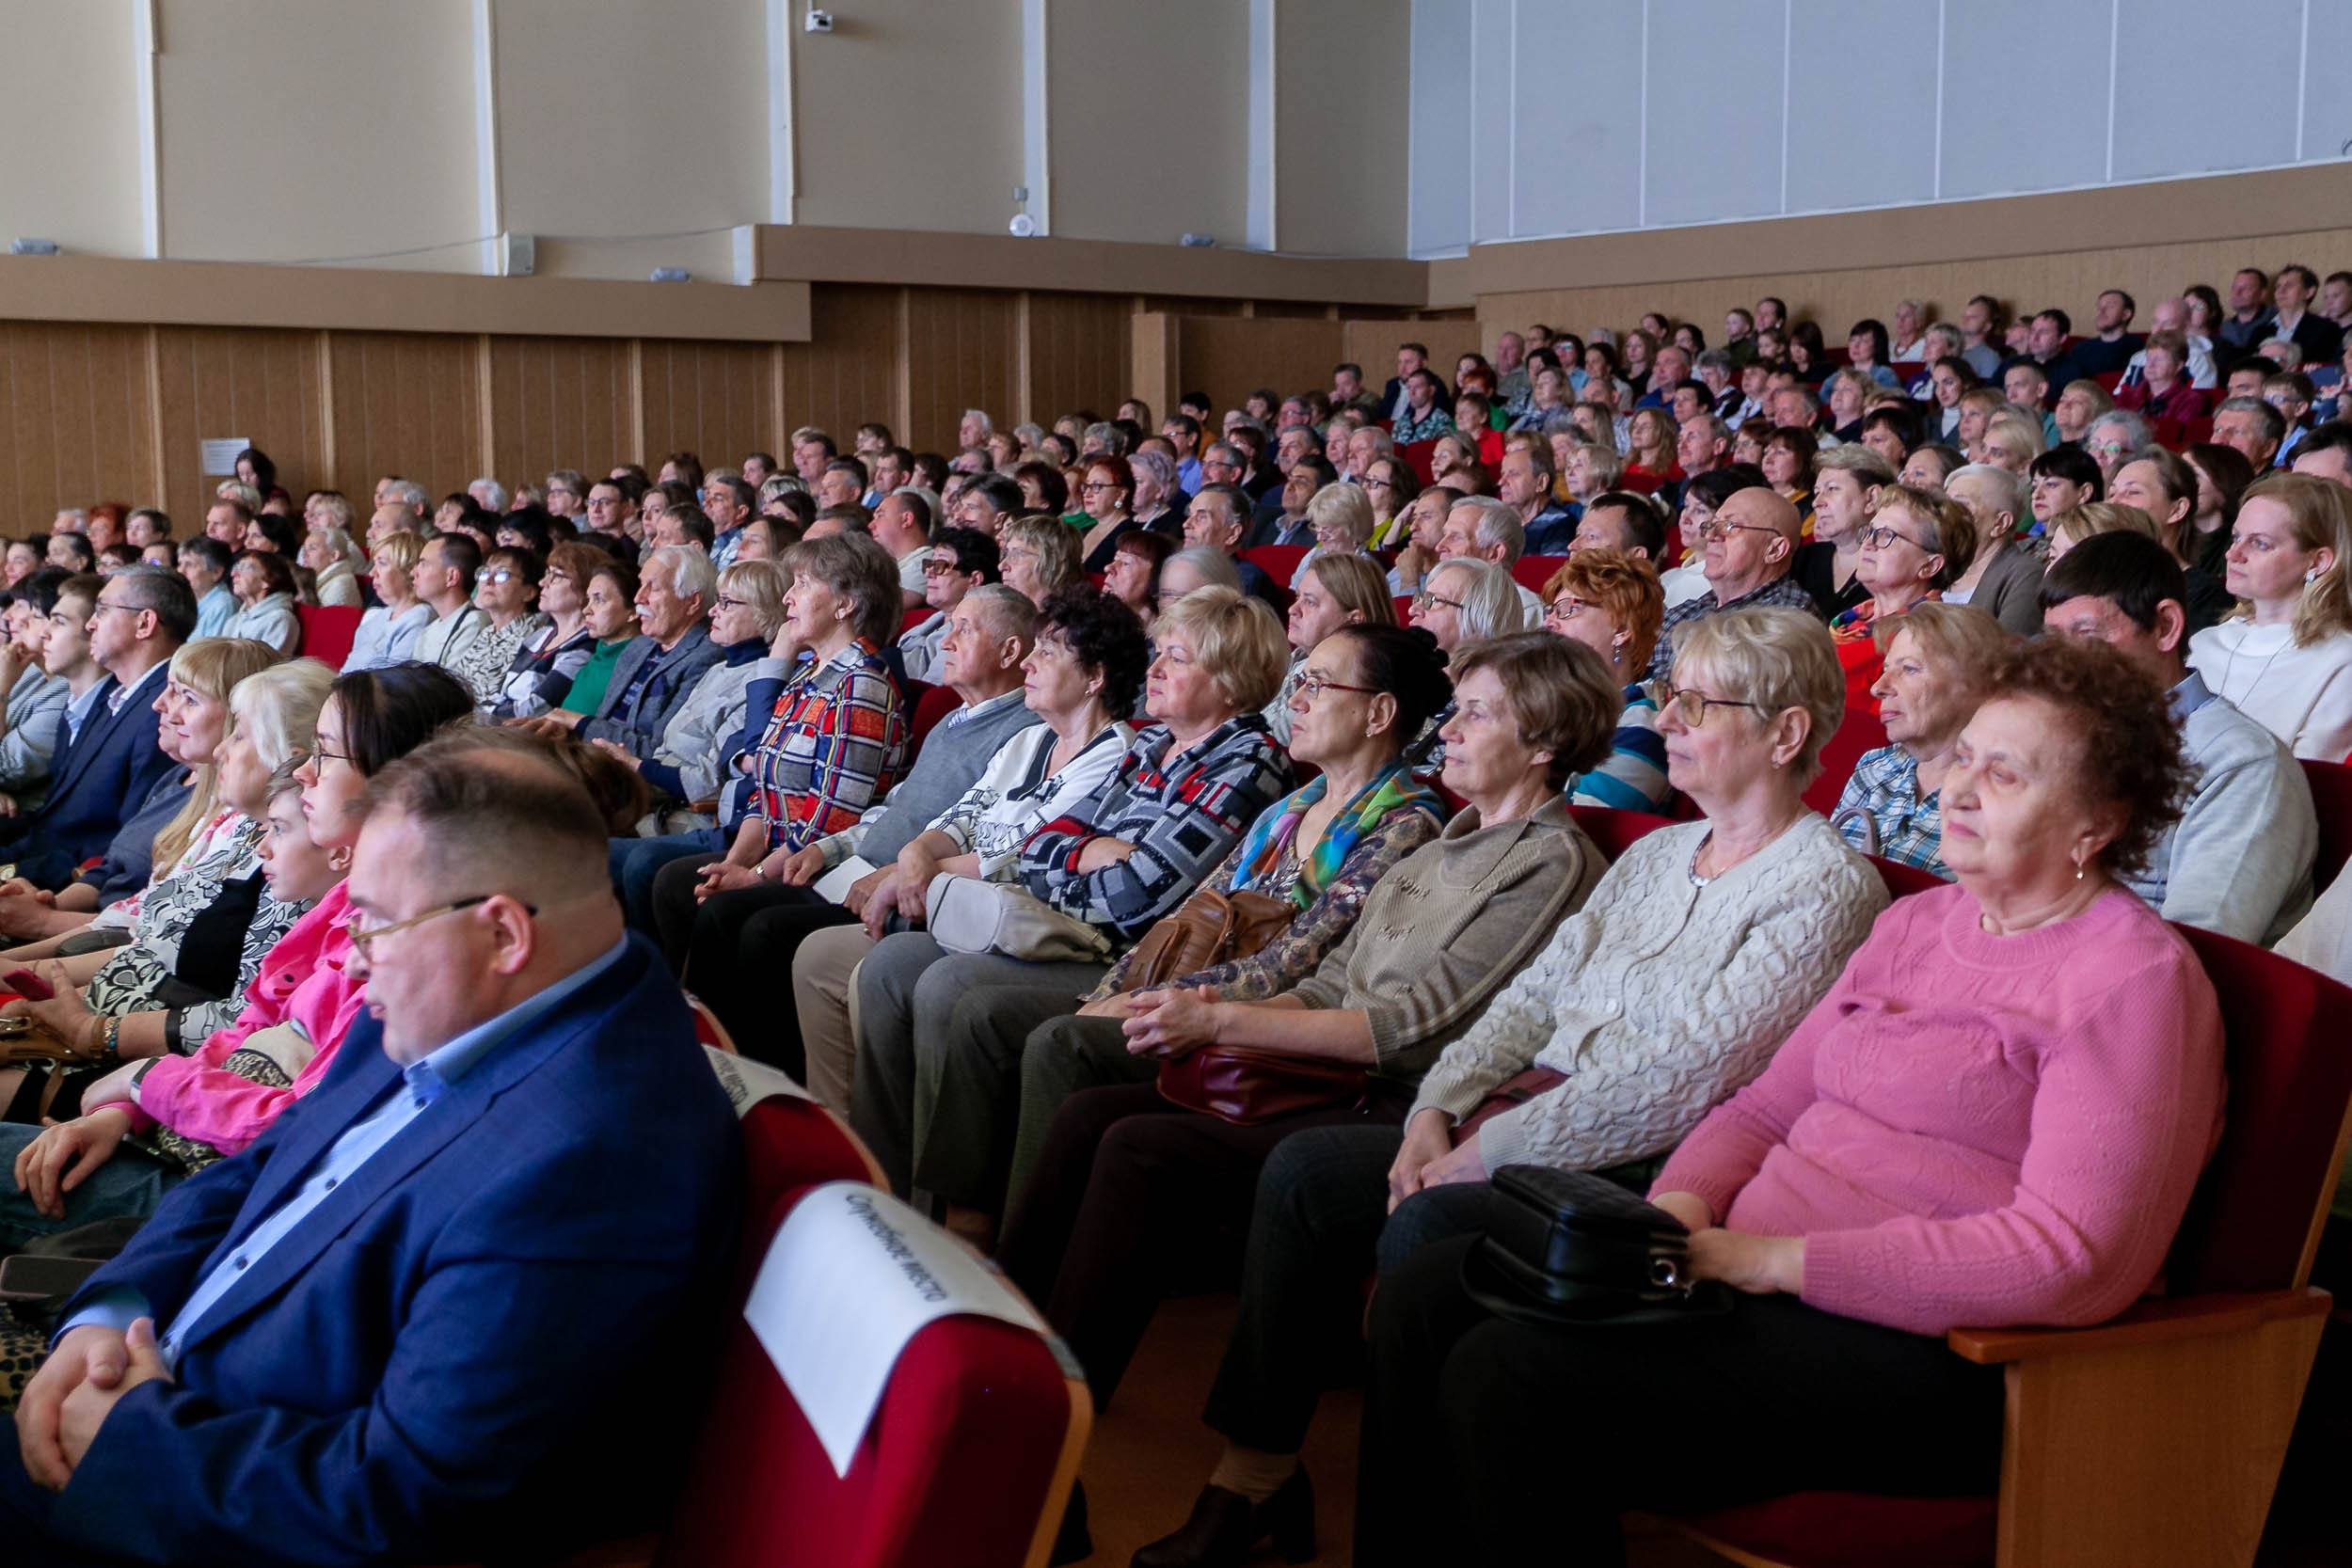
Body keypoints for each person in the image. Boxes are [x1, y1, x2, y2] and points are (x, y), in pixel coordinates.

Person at [1357, 634, 2220, 1567]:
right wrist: (1675, 1214)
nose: (1956, 791)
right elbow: (1763, 1109)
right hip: (1740, 1276)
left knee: (1510, 1374)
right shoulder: (1916, 921)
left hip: (1936, 1349)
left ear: (2096, 820)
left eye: (2002, 774)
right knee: (1430, 1282)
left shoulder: (2129, 978)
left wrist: (1765, 1259)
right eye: (1961, 757)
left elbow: (2071, 1258)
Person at [1156, 608, 1886, 1566]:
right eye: (1668, 696)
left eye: (1697, 703)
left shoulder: (1823, 884)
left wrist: (1479, 1152)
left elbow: (1687, 1077)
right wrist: (1434, 1110)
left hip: (1648, 1166)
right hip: (1518, 1120)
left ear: (1785, 733)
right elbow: (1536, 997)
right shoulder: (1658, 853)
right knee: (1304, 1171)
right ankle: (1252, 1478)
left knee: (1422, 1231)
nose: (1665, 720)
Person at [0, 739, 739, 1566]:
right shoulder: (460, 995)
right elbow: (253, 1175)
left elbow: (401, 1500)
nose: (349, 956)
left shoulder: (593, 1162)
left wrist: (131, 1436)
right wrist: (103, 1316)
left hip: (201, 1495)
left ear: (502, 932)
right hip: (153, 1378)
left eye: (376, 922)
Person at [1002, 633, 1614, 1458]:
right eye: (1458, 708)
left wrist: (1219, 1020)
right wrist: (1202, 1007)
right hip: (1316, 1066)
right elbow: (1329, 982)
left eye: (1476, 714)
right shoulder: (1441, 847)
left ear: (1542, 743)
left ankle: (1051, 1407)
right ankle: (1000, 1336)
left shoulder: (1549, 861)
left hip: (1397, 1098)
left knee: (1138, 1142)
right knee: (1086, 1113)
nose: (1451, 732)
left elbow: (1409, 1026)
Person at [848, 585, 1291, 1203]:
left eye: (1176, 658)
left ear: (1232, 680)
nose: (1155, 670)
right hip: (1069, 926)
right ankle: (886, 1183)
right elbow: (1042, 847)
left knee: (957, 991)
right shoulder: (1158, 748)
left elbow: (1137, 898)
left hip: (1127, 959)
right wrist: (1089, 853)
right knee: (892, 966)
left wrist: (1086, 858)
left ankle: (958, 1216)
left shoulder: (1248, 763)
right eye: (1156, 653)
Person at [787, 586, 1147, 1116]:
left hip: (1022, 925)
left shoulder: (1114, 756)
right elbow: (957, 820)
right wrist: (915, 858)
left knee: (881, 970)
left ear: (1094, 678)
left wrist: (917, 871)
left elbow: (1020, 854)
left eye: (1047, 652)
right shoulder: (1030, 740)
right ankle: (837, 1123)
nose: (1029, 660)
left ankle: (895, 1152)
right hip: (951, 898)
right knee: (818, 956)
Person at [653, 583, 1040, 1066]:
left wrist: (886, 871)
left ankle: (752, 1079)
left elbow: (978, 834)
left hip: (906, 892)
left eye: (965, 628)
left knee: (757, 926)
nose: (945, 641)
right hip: (854, 867)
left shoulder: (1025, 730)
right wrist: (823, 850)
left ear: (1010, 650)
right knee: (710, 901)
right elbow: (891, 810)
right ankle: (701, 1059)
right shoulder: (952, 720)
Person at [0, 659, 332, 1128]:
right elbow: (146, 939)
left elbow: (244, 1025)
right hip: (100, 1039)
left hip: (132, 1075)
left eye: (239, 735)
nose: (221, 750)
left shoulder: (296, 869)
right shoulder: (243, 832)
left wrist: (97, 1035)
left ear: (287, 760)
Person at [2043, 531, 2315, 943]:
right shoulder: (2055, 736)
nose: (2064, 664)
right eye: (2054, 641)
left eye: (2089, 635)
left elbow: (2198, 945)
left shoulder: (2240, 762)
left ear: (2166, 626)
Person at [0, 568, 190, 891]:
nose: (91, 624)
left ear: (144, 623)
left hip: (73, 886)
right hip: (44, 862)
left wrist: (15, 872)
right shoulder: (113, 698)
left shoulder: (162, 709)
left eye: (102, 611)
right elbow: (56, 820)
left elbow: (125, 844)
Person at [602, 558, 787, 837]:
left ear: (765, 611)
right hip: (655, 795)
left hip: (687, 814)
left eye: (725, 603)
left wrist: (635, 766)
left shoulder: (761, 685)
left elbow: (711, 780)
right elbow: (665, 750)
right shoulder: (718, 669)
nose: (712, 611)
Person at [1833, 602, 2009, 877]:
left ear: (1978, 684)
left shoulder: (2005, 796)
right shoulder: (1874, 768)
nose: (1879, 687)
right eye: (1886, 668)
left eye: (1909, 669)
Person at [2186, 472, 2352, 759]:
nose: (2233, 554)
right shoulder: (2204, 643)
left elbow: (2311, 783)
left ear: (2318, 561)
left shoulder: (2341, 662)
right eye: (2236, 537)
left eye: (2260, 543)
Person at [516, 546, 723, 756]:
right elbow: (603, 725)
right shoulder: (639, 647)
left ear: (692, 601)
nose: (638, 598)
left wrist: (578, 722)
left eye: (653, 587)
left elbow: (657, 751)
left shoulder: (707, 659)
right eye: (641, 585)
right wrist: (567, 731)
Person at [1539, 548, 1672, 811]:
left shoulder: (1645, 724)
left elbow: (1587, 822)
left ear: (1621, 629)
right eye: (1550, 611)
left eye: (1567, 610)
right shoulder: (1558, 706)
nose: (1548, 624)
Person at [1646, 485, 1818, 684]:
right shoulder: (1686, 610)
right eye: (1711, 526)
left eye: (1729, 526)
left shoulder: (1789, 618)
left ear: (1775, 550)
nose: (1710, 536)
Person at [1829, 483, 1976, 710]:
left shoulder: (1930, 639)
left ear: (1930, 565)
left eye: (1887, 535)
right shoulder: (1848, 624)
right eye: (1869, 532)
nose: (1868, 543)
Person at [1265, 554, 1393, 744]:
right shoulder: (1295, 657)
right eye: (1297, 597)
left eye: (1310, 602)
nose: (1293, 609)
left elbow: (1274, 739)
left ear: (1354, 620)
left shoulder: (1347, 679)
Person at [2108, 447, 2233, 631]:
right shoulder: (2101, 580)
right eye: (2111, 493)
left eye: (2133, 492)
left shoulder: (2202, 595)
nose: (2113, 503)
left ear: (2177, 510)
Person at [492, 541, 601, 720]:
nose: (543, 582)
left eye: (556, 576)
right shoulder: (541, 635)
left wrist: (484, 714)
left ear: (585, 589)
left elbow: (536, 709)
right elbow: (503, 691)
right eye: (546, 574)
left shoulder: (585, 647)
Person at [1789, 445, 1897, 620]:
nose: (1817, 502)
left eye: (1832, 489)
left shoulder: (1894, 567)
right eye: (1817, 492)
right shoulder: (1803, 559)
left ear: (1872, 498)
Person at [1942, 463, 2050, 635]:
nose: (1944, 514)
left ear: (2000, 523)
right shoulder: (1938, 566)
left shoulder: (2026, 575)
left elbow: (2006, 654)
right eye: (1944, 505)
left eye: (1960, 506)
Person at [447, 547, 548, 713]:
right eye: (484, 573)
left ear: (529, 592)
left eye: (502, 575)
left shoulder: (534, 637)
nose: (488, 581)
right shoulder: (487, 632)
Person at [899, 526, 997, 682]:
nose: (928, 573)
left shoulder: (968, 638)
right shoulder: (927, 622)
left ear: (974, 580)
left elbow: (934, 692)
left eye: (940, 566)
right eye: (929, 564)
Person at [340, 533, 431, 674]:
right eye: (374, 564)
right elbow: (347, 670)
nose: (372, 573)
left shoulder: (420, 617)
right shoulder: (377, 616)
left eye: (382, 563)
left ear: (409, 571)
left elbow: (393, 681)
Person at [408, 533, 489, 674]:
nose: (413, 572)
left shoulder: (474, 624)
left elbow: (452, 688)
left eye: (424, 564)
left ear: (451, 577)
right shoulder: (429, 630)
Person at [218, 552, 299, 657]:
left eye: (244, 567)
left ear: (268, 580)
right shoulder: (234, 620)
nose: (233, 573)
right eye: (236, 567)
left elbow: (267, 667)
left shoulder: (279, 619)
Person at [296, 528, 364, 610]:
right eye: (304, 549)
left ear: (334, 555)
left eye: (312, 548)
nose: (304, 554)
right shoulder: (310, 578)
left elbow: (321, 620)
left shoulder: (341, 584)